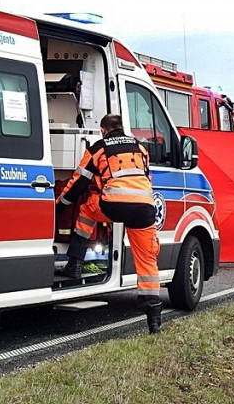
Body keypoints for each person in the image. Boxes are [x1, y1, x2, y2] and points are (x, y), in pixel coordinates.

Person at [56, 114, 163, 334]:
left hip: (113, 206)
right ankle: (154, 321)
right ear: (121, 128)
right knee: (147, 263)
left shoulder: (98, 148)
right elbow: (144, 177)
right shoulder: (140, 148)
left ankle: (75, 263)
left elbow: (78, 183)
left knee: (86, 210)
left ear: (103, 130)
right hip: (144, 209)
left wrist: (60, 205)